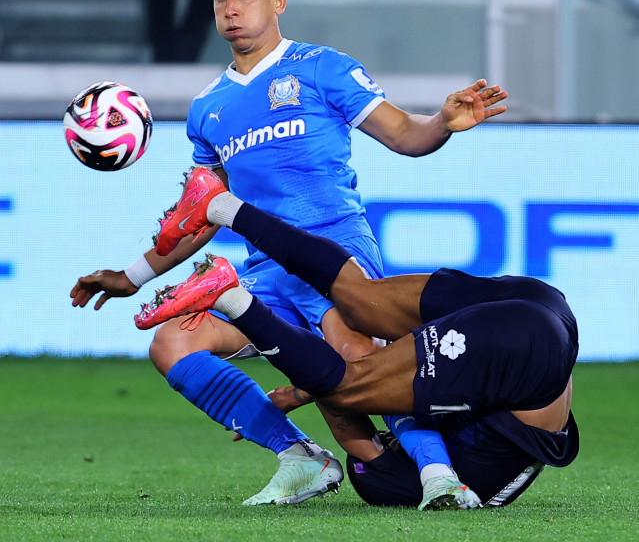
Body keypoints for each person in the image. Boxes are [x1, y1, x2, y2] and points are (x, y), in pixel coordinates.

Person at [70, 0, 507, 507]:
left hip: (335, 253)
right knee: (172, 342)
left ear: (277, 0)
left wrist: (443, 123)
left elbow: (405, 136)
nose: (230, 7)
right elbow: (202, 211)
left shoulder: (324, 68)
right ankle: (300, 456)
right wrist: (131, 277)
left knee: (358, 363)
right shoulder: (207, 109)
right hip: (267, 271)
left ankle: (438, 476)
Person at [135, 175, 579, 509]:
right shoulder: (455, 468)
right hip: (526, 354)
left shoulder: (474, 450)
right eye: (382, 441)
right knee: (349, 387)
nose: (384, 432)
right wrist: (307, 393)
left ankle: (222, 205)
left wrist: (302, 393)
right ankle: (231, 294)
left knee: (363, 300)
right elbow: (356, 396)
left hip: (545, 311)